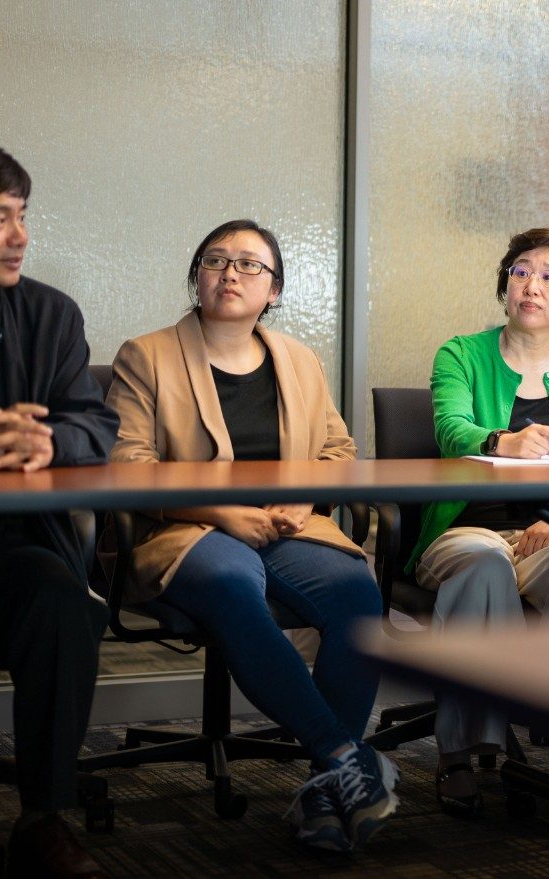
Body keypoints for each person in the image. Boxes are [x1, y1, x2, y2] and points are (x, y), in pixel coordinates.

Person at [107, 220, 395, 853]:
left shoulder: (299, 359)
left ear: (275, 289)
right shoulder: (146, 354)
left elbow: (338, 450)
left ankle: (325, 793)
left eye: (249, 265)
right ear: (197, 276)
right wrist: (222, 513)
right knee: (235, 583)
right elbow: (127, 467)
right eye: (216, 260)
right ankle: (344, 758)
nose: (231, 273)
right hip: (184, 529)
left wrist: (302, 495)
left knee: (357, 596)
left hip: (287, 524)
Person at [0, 135, 118, 878]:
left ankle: (45, 815)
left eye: (23, 215)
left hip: (1, 541)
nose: (21, 237)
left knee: (60, 596)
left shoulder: (48, 314)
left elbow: (94, 422)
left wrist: (47, 443)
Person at [410, 227, 549, 816]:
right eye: (520, 271)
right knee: (484, 566)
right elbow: (451, 430)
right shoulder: (460, 354)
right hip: (466, 530)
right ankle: (460, 753)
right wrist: (505, 441)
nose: (531, 284)